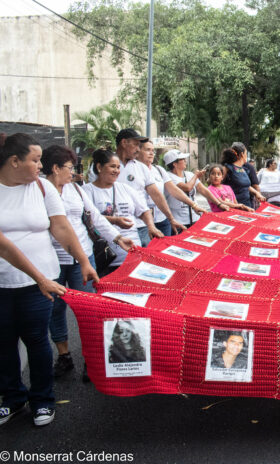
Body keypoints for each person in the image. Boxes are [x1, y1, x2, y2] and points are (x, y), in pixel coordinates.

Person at [0, 133, 98, 427]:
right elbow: (4, 245)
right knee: (3, 343)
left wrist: (83, 260)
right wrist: (40, 277)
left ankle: (42, 399)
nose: (41, 166)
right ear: (15, 161)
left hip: (40, 283)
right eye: (35, 160)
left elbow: (62, 227)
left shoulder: (42, 188)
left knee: (37, 339)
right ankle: (13, 398)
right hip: (6, 283)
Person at [42, 145, 133, 378]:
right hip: (52, 261)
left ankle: (90, 360)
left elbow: (94, 217)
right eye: (69, 168)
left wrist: (118, 237)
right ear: (55, 168)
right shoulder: (38, 191)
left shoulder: (76, 190)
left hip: (83, 256)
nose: (72, 173)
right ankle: (64, 356)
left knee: (89, 309)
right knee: (55, 309)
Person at [83, 149, 162, 275]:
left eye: (118, 167)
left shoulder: (125, 188)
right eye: (112, 166)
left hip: (133, 254)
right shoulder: (87, 191)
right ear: (99, 167)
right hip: (106, 258)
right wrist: (115, 220)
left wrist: (151, 227)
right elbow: (89, 218)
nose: (117, 171)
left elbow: (144, 211)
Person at [114, 128, 185, 246]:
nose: (138, 149)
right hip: (117, 228)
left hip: (141, 226)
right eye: (136, 144)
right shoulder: (107, 166)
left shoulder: (141, 168)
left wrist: (171, 219)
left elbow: (157, 195)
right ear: (124, 142)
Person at [138, 142, 205, 236]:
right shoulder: (133, 170)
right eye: (147, 150)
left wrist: (194, 205)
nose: (151, 153)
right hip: (142, 222)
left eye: (153, 150)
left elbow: (173, 190)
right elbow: (187, 188)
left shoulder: (159, 170)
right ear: (138, 151)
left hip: (162, 219)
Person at [222, 143, 266, 209]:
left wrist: (256, 193)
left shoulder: (243, 169)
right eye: (246, 153)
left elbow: (245, 186)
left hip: (247, 206)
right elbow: (214, 183)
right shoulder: (227, 168)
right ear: (242, 154)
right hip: (233, 207)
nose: (246, 155)